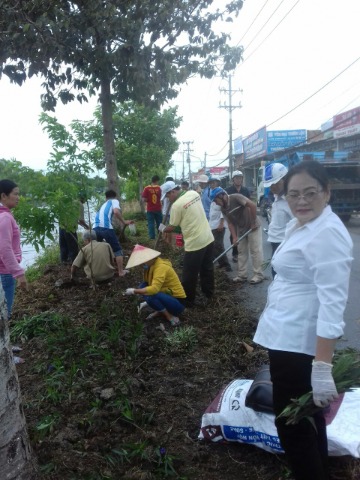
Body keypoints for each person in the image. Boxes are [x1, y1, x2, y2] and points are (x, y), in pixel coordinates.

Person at [253, 160, 353, 480]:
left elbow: (332, 304)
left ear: (327, 192)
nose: (301, 201)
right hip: (286, 335)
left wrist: (322, 369)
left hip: (297, 344)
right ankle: (319, 470)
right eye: (294, 194)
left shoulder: (327, 234)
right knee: (307, 419)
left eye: (310, 193)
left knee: (291, 425)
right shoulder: (305, 224)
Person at [159, 180, 215, 306]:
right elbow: (186, 219)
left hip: (195, 243)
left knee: (189, 274)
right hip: (208, 237)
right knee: (207, 268)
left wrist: (162, 228)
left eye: (168, 195)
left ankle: (188, 300)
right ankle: (208, 294)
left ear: (173, 191)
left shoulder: (177, 206)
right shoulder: (194, 194)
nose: (168, 198)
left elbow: (172, 227)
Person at [0, 179, 28, 364]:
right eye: (15, 194)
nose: (18, 197)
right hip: (5, 274)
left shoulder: (4, 214)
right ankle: (5, 356)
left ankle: (6, 346)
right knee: (4, 314)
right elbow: (5, 249)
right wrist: (19, 273)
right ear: (3, 196)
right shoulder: (5, 218)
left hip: (4, 272)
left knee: (4, 312)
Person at [210, 187, 264, 284]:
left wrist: (253, 222)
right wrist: (234, 237)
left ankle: (258, 275)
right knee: (241, 251)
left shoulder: (236, 197)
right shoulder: (223, 208)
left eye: (215, 200)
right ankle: (242, 275)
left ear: (222, 196)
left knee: (255, 251)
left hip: (253, 227)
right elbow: (230, 224)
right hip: (241, 229)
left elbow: (252, 205)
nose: (216, 203)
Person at [124, 244, 186, 326]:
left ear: (150, 258)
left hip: (178, 303)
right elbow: (147, 282)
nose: (141, 265)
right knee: (143, 286)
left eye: (143, 262)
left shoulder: (161, 267)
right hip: (166, 295)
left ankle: (169, 316)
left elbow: (154, 289)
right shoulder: (150, 266)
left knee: (151, 296)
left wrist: (133, 291)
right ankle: (160, 310)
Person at [93, 189, 134, 277]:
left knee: (97, 249)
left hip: (95, 228)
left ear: (105, 197)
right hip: (106, 227)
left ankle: (98, 270)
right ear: (115, 196)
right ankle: (121, 271)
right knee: (117, 249)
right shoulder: (114, 201)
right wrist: (124, 221)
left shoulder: (102, 205)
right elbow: (116, 212)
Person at [263, 163, 293, 278]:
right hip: (276, 244)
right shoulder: (277, 196)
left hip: (285, 245)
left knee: (281, 277)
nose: (271, 187)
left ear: (284, 179)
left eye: (274, 184)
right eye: (269, 185)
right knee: (275, 274)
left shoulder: (291, 200)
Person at [226, 170, 250, 263]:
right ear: (233, 180)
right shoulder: (228, 190)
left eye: (240, 178)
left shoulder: (245, 190)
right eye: (237, 178)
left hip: (243, 216)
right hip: (233, 216)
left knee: (244, 235)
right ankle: (235, 253)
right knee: (233, 235)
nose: (239, 180)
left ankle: (242, 253)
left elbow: (249, 202)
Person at [208, 176, 231, 272]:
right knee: (214, 245)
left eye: (214, 182)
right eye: (210, 183)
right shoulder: (212, 193)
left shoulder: (221, 193)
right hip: (212, 224)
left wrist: (221, 223)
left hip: (218, 224)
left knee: (218, 245)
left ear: (218, 183)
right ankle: (221, 263)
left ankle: (226, 265)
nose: (212, 184)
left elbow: (224, 209)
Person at [59, 196, 89, 264]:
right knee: (73, 247)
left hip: (61, 225)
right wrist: (87, 227)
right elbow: (81, 220)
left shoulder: (69, 201)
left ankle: (64, 261)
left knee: (63, 246)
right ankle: (74, 263)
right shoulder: (80, 204)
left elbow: (77, 220)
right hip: (70, 227)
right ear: (83, 198)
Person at [141, 175, 162, 240]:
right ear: (157, 180)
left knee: (151, 223)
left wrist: (148, 200)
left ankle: (152, 237)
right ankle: (160, 236)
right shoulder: (160, 188)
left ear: (152, 180)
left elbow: (144, 199)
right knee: (160, 223)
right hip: (158, 208)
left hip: (150, 209)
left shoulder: (146, 188)